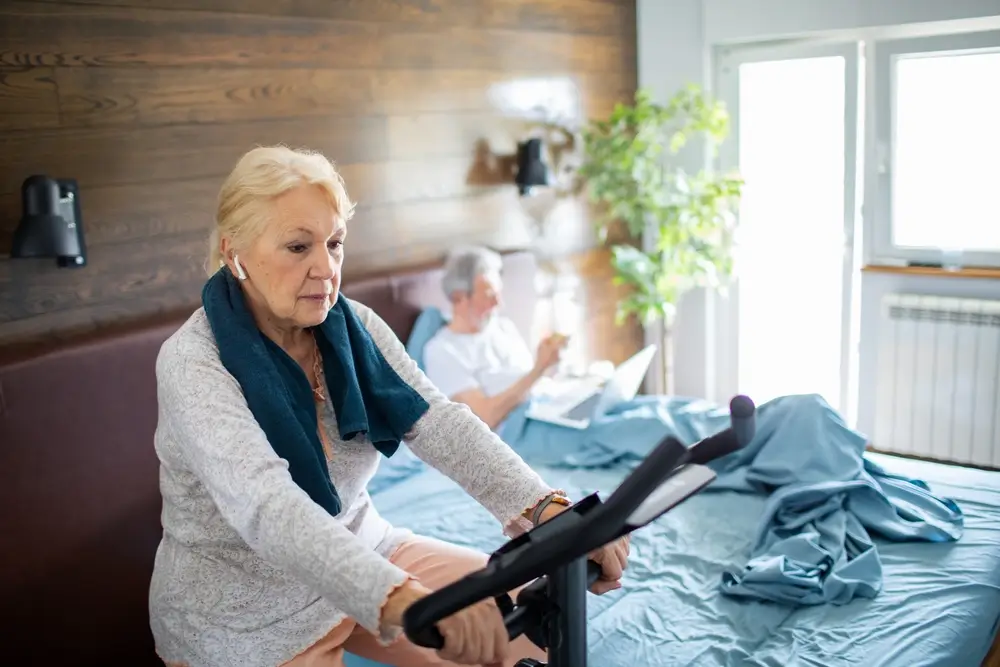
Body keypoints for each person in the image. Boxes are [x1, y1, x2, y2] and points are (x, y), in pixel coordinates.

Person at [149, 146, 630, 667]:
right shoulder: (193, 363)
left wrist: (546, 510)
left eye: (334, 244)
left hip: (366, 547)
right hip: (246, 620)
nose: (324, 268)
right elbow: (266, 505)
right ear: (235, 252)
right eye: (297, 246)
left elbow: (440, 423)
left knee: (519, 630)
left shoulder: (356, 326)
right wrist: (398, 597)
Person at [422, 246, 570, 431]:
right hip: (517, 429)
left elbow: (528, 380)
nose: (498, 303)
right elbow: (485, 418)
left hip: (547, 408)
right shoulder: (443, 351)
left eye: (498, 294)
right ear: (459, 298)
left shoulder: (503, 327)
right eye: (489, 295)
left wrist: (549, 362)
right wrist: (538, 370)